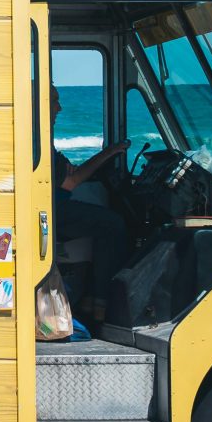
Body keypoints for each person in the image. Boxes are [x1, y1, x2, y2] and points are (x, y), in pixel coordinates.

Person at [50, 90, 129, 323]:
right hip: (53, 211)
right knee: (113, 225)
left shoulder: (39, 136)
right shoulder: (36, 137)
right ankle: (100, 302)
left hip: (54, 206)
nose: (59, 108)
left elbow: (65, 174)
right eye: (54, 101)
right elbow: (70, 181)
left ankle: (89, 298)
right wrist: (109, 153)